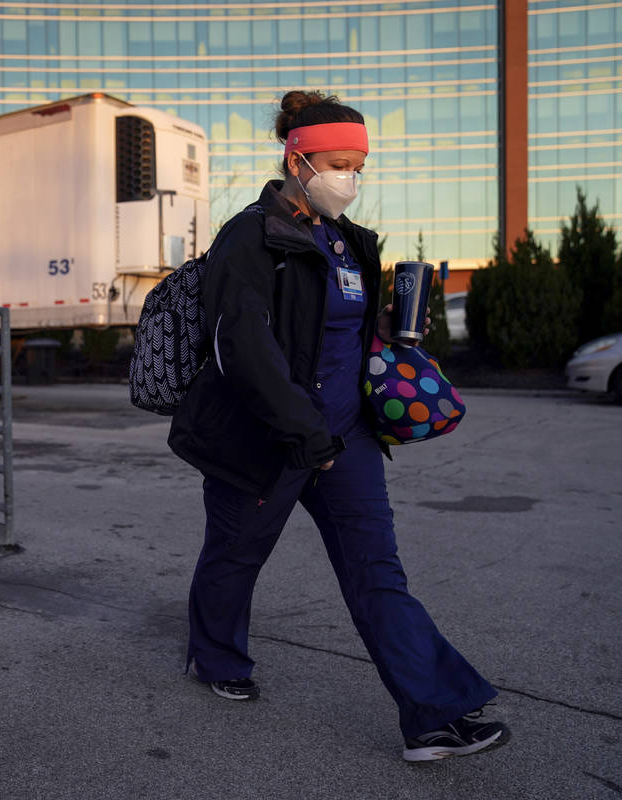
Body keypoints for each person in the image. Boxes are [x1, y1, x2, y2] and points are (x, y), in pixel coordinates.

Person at [167, 90, 510, 762]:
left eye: (358, 166)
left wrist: (385, 326)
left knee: (378, 571)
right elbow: (245, 345)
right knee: (236, 554)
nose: (350, 179)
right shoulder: (250, 236)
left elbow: (331, 328)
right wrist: (304, 432)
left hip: (347, 437)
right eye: (337, 165)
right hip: (268, 437)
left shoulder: (349, 241)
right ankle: (215, 655)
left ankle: (433, 715)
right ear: (297, 160)